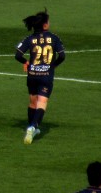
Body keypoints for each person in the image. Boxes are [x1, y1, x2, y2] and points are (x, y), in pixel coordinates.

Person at [14, 9, 65, 144]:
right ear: (45, 25)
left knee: (33, 101)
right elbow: (62, 56)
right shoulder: (54, 38)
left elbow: (18, 55)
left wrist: (26, 62)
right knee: (42, 102)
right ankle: (33, 127)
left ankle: (30, 127)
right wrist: (53, 65)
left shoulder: (29, 39)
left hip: (32, 75)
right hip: (46, 76)